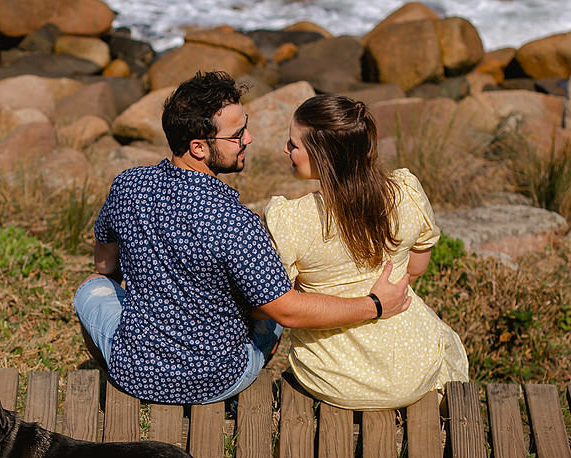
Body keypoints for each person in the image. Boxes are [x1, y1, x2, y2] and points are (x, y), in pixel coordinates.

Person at [73, 71, 411, 405]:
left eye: (245, 126)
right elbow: (287, 312)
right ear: (198, 148)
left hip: (138, 374)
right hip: (219, 380)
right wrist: (375, 305)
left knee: (90, 288)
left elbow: (104, 263)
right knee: (270, 311)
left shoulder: (128, 186)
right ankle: (234, 400)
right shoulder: (237, 221)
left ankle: (119, 385)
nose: (248, 139)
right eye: (237, 135)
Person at [263, 93, 468, 409]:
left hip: (336, 375)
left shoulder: (290, 221)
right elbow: (416, 267)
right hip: (414, 365)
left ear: (322, 156)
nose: (286, 150)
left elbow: (286, 308)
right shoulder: (404, 192)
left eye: (293, 145)